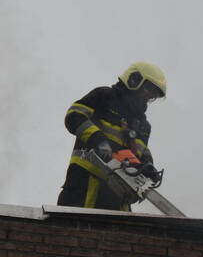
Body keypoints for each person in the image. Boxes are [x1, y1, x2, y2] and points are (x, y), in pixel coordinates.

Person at [57, 62, 166, 210]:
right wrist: (97, 139)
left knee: (120, 225)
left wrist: (147, 167)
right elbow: (74, 115)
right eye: (148, 90)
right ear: (134, 80)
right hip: (84, 187)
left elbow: (141, 151)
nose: (148, 96)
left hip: (118, 197)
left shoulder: (143, 125)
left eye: (153, 95)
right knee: (79, 223)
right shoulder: (104, 96)